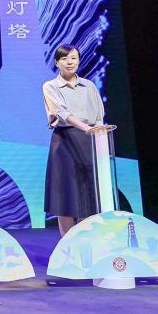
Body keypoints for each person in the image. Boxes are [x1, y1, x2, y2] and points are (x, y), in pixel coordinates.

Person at [42, 44, 107, 236]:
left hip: (89, 140)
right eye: (64, 58)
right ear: (57, 63)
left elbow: (99, 115)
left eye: (73, 58)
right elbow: (62, 113)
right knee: (66, 197)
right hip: (64, 141)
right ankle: (67, 244)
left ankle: (86, 240)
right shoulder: (50, 86)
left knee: (88, 195)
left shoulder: (89, 86)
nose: (69, 62)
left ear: (79, 61)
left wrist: (98, 134)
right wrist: (86, 128)